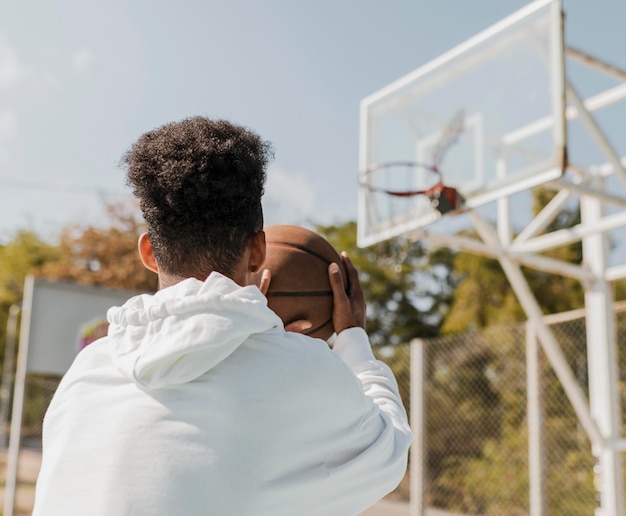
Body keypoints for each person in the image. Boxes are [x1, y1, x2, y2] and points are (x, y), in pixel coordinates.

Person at [33, 116, 412, 516]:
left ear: (147, 252)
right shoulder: (301, 371)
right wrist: (351, 336)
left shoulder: (86, 373)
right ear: (258, 250)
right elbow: (389, 453)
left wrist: (255, 330)